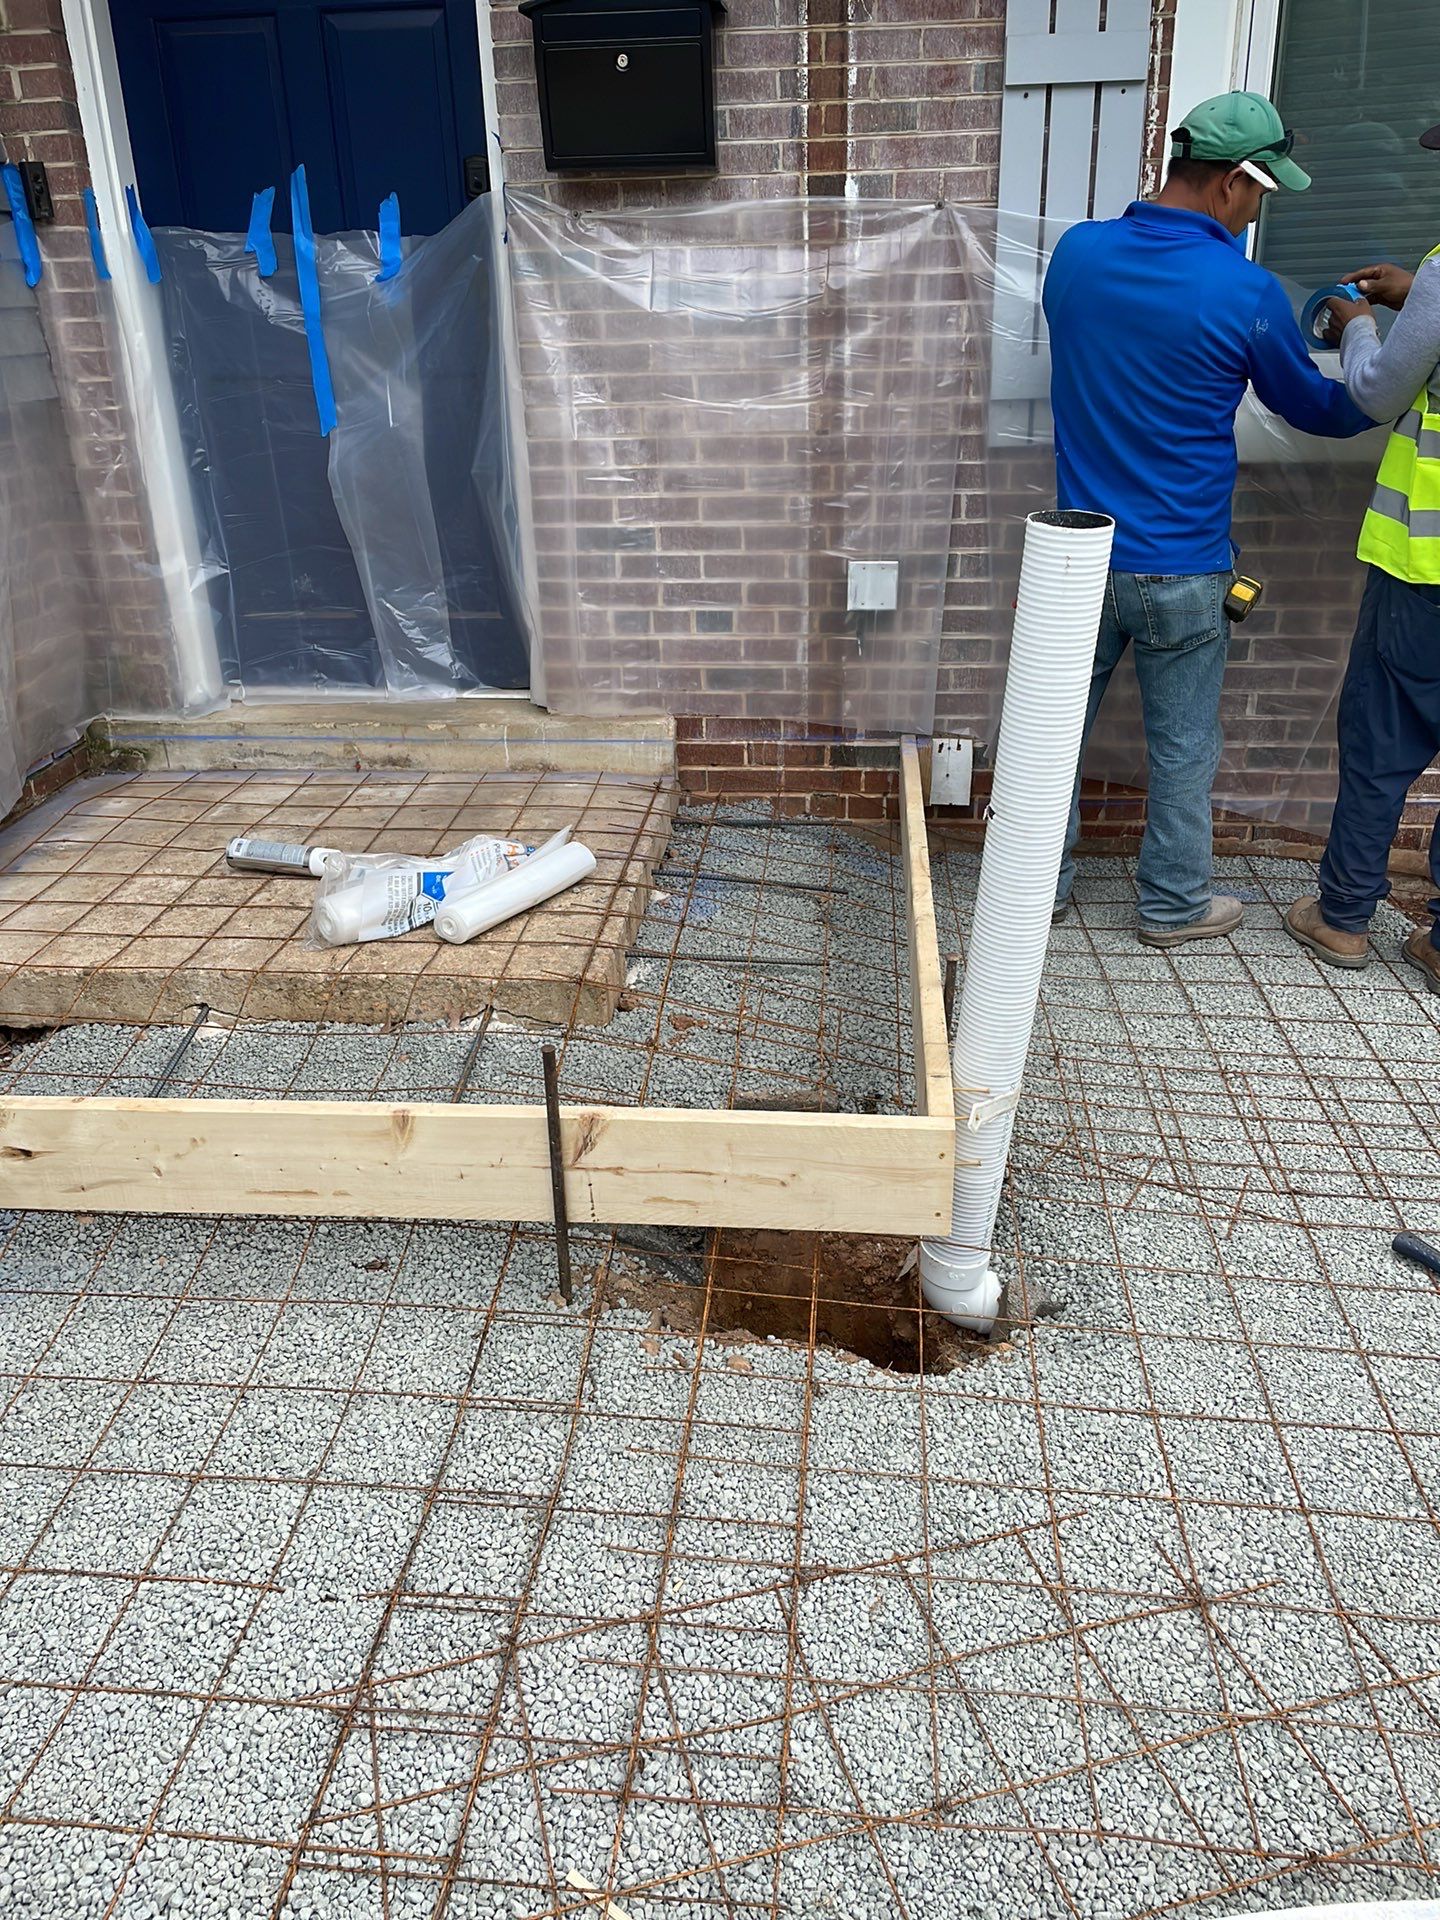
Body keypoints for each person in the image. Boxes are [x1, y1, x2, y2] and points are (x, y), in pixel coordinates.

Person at [1043, 91, 1372, 947]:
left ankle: (1039, 890)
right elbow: (1322, 412)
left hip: (1077, 562)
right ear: (1233, 182)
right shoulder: (1245, 290)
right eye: (1263, 194)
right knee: (1183, 748)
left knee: (1054, 739)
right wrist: (1370, 340)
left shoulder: (1075, 256)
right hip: (1183, 569)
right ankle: (1172, 906)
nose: (1259, 212)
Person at [1283, 121, 1440, 993]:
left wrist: (1357, 326)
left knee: (1382, 737)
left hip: (1427, 568)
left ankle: (1342, 917)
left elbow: (1380, 393)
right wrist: (1420, 294)